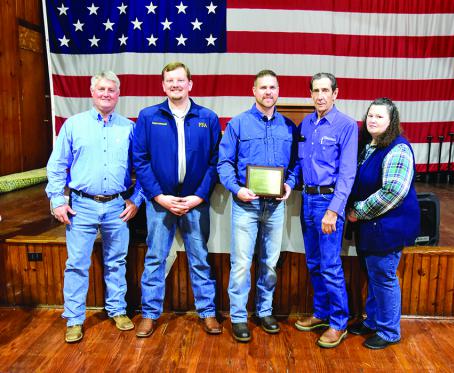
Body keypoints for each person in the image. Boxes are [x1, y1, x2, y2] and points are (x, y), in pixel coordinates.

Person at [46, 71, 144, 343]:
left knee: (116, 261)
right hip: (81, 206)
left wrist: (137, 199)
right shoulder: (73, 125)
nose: (106, 94)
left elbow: (143, 167)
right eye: (101, 89)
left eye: (111, 90)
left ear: (118, 94)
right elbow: (56, 166)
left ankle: (117, 310)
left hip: (116, 206)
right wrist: (57, 200)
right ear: (92, 92)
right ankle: (75, 319)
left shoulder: (129, 128)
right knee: (76, 264)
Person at [133, 62, 222, 337]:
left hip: (195, 202)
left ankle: (207, 313)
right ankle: (148, 314)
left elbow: (215, 162)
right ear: (163, 86)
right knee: (155, 257)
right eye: (170, 81)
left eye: (180, 80)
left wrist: (198, 196)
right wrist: (159, 196)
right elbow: (141, 159)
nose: (175, 85)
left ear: (190, 84)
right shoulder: (148, 117)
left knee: (199, 258)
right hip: (160, 202)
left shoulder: (207, 117)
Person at [217, 69, 298, 342]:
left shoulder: (288, 126)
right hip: (246, 206)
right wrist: (237, 189)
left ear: (278, 91)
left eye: (272, 87)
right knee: (240, 264)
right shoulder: (238, 124)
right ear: (253, 91)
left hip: (275, 208)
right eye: (263, 87)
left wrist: (290, 183)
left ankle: (264, 312)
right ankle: (239, 317)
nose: (268, 92)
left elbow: (296, 165)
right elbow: (224, 163)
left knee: (270, 263)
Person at [346, 97, 420, 349]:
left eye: (379, 116)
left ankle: (389, 331)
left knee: (384, 275)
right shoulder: (371, 145)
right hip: (372, 227)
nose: (373, 120)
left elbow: (393, 192)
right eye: (370, 115)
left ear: (391, 121)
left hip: (388, 227)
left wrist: (358, 211)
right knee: (374, 273)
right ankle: (374, 321)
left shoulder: (398, 148)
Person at [294, 73, 358, 348]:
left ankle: (338, 322)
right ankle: (321, 313)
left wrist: (334, 210)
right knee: (314, 263)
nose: (320, 95)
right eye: (316, 90)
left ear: (335, 93)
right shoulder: (306, 123)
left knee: (331, 266)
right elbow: (299, 164)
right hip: (307, 200)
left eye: (325, 90)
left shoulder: (346, 125)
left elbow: (347, 173)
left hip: (328, 202)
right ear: (310, 94)